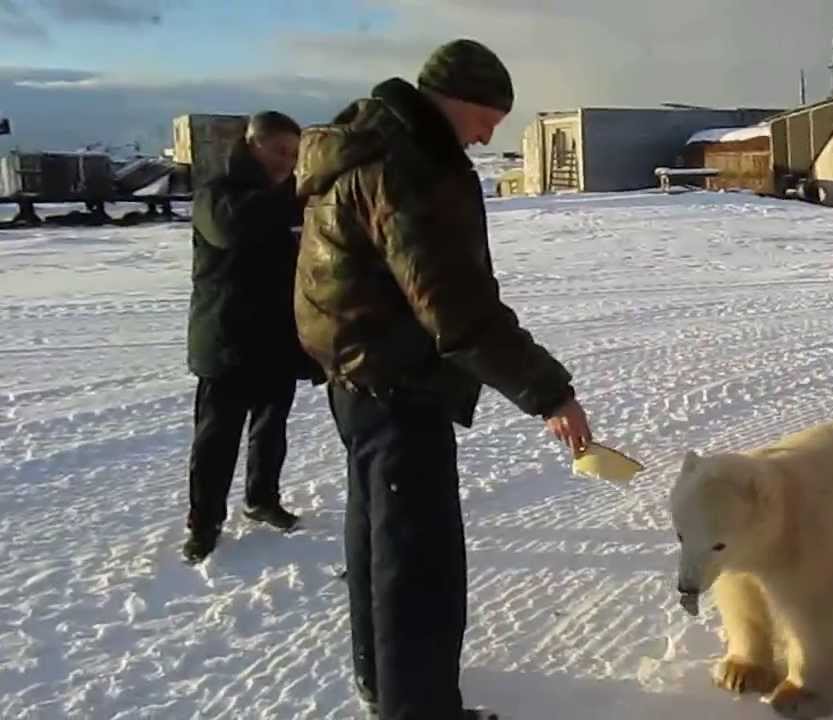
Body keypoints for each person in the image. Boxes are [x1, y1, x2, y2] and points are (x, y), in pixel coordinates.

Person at [294, 39, 592, 719]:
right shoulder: (412, 165)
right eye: (489, 117)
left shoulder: (361, 144)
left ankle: (385, 683)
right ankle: (419, 707)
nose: (490, 136)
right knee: (418, 562)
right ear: (455, 100)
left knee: (377, 538)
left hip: (353, 374)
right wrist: (548, 392)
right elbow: (456, 310)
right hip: (398, 378)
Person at [183, 111, 318, 564]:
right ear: (252, 145)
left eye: (295, 156)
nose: (287, 163)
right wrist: (297, 200)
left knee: (270, 427)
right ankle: (204, 523)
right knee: (216, 439)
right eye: (280, 151)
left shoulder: (287, 198)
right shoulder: (215, 192)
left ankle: (263, 498)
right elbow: (231, 229)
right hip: (226, 336)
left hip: (277, 336)